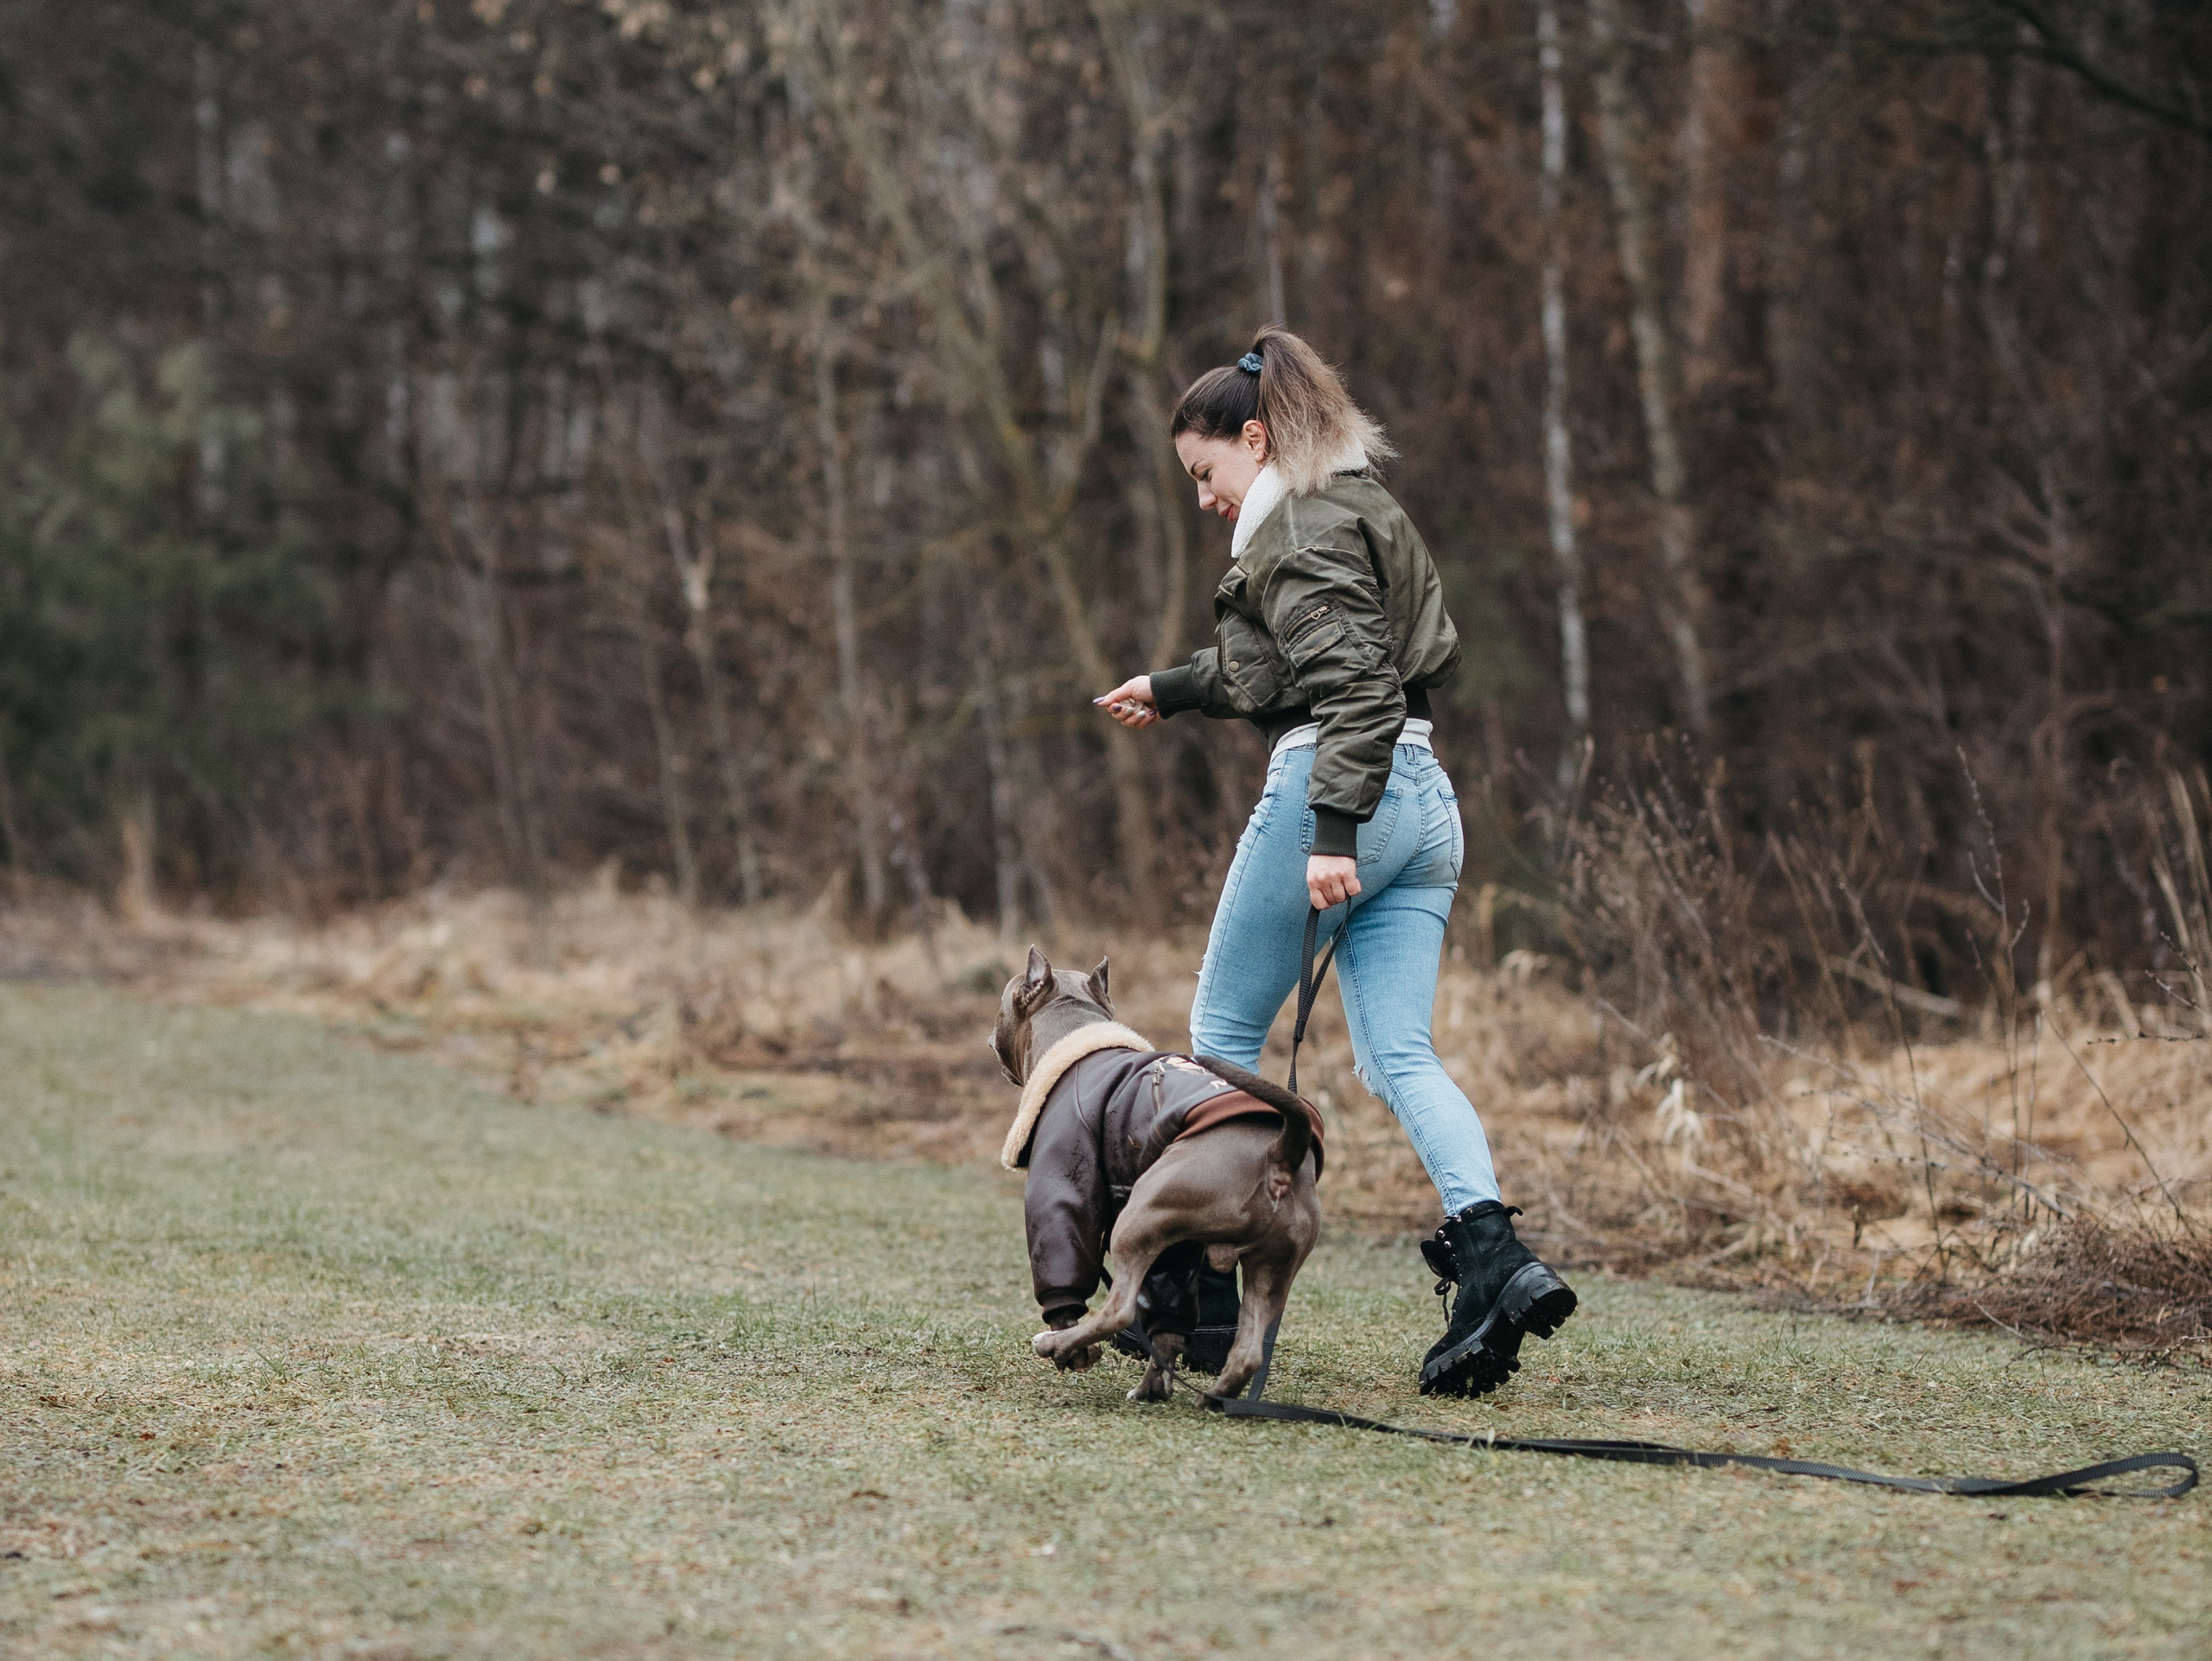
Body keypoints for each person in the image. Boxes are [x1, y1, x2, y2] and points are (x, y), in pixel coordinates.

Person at [1094, 325, 1577, 1398]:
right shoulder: (1351, 508)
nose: (1205, 497)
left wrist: (1327, 836)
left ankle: (1204, 1298)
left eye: (1205, 472)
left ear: (1255, 438)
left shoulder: (1299, 530)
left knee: (1217, 1039)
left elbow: (1348, 687)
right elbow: (1292, 662)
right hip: (1426, 801)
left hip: (1339, 789)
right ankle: (1493, 1256)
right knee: (1399, 1054)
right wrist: (1172, 686)